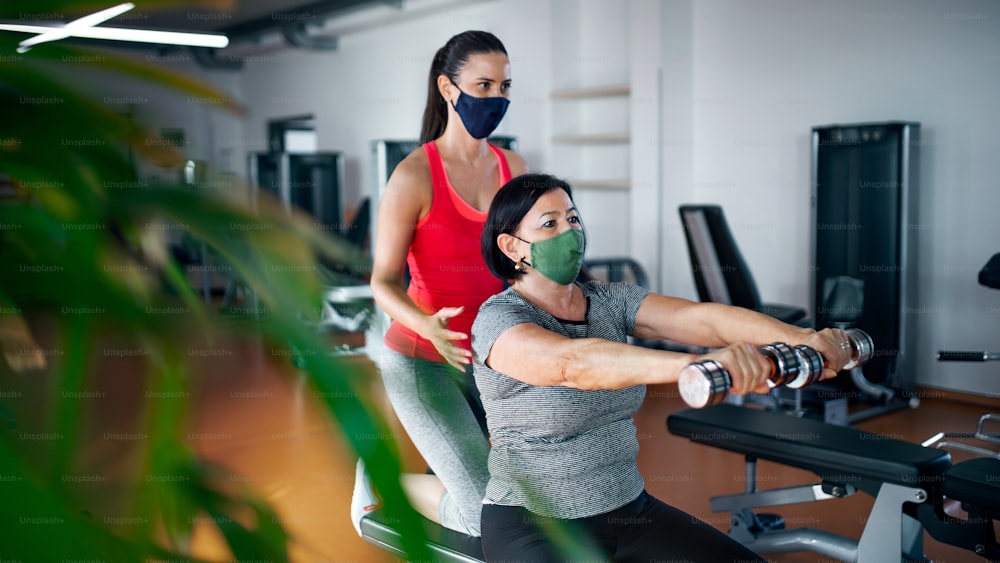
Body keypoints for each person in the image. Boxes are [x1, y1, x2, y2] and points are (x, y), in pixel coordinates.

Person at [471, 173, 853, 561]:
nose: (569, 231)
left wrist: (803, 338)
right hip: (535, 527)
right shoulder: (499, 320)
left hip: (631, 514)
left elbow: (704, 320)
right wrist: (699, 364)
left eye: (572, 218)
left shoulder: (608, 299)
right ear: (511, 246)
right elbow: (573, 364)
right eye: (549, 223)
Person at [351, 30, 528, 539]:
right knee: (481, 517)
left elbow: (519, 261)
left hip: (492, 359)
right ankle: (383, 484)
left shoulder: (511, 168)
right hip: (422, 361)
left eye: (505, 86)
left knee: (534, 489)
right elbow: (382, 282)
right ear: (449, 89)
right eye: (484, 85)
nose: (497, 99)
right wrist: (426, 324)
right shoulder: (413, 176)